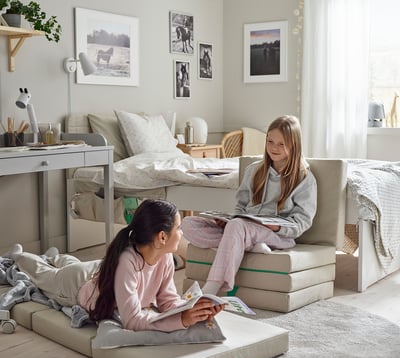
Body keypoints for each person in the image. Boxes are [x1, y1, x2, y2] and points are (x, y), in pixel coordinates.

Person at [12, 199, 224, 332]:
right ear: (161, 237)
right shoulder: (127, 261)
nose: (182, 233)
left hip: (96, 271)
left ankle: (56, 256)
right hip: (78, 287)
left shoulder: (165, 258)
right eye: (178, 228)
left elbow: (168, 302)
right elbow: (132, 320)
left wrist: (194, 310)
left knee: (70, 264)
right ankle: (20, 255)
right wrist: (182, 321)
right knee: (43, 274)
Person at [181, 115, 317, 295]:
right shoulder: (254, 170)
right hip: (245, 227)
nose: (274, 148)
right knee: (188, 224)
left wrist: (275, 226)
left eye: (281, 144)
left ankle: (212, 287)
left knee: (237, 227)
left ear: (294, 145)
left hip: (278, 235)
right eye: (270, 141)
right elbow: (241, 207)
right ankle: (249, 244)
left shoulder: (304, 178)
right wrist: (228, 220)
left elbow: (302, 222)